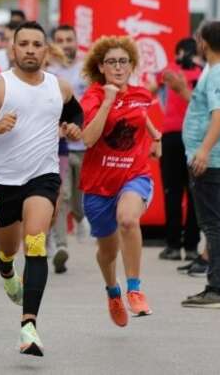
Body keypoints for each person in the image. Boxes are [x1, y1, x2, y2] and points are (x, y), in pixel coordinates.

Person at [0, 21, 83, 356]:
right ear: (13, 49)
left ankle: (29, 327)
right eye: (23, 44)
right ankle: (5, 265)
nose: (30, 49)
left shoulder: (61, 87)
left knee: (36, 242)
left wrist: (73, 126)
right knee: (7, 248)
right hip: (1, 182)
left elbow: (76, 113)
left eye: (36, 44)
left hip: (43, 178)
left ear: (46, 49)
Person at [79, 36, 160, 326]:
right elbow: (88, 139)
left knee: (128, 220)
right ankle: (113, 291)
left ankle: (135, 289)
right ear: (101, 66)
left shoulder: (141, 94)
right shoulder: (92, 97)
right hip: (99, 184)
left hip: (134, 175)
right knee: (107, 251)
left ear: (131, 66)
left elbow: (141, 115)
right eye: (111, 62)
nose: (117, 66)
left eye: (123, 61)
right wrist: (108, 100)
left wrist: (155, 135)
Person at [181, 21, 220, 308]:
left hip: (213, 160)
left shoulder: (217, 73)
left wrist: (203, 151)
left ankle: (218, 287)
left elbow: (219, 114)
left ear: (203, 42)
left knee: (214, 226)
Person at [155, 38, 202, 262]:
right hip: (194, 137)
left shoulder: (169, 71)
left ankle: (173, 246)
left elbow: (152, 87)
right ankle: (191, 247)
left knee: (172, 192)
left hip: (173, 135)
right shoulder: (202, 73)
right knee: (194, 193)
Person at [48, 25, 90, 273]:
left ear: (76, 41)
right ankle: (61, 244)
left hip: (84, 143)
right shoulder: (49, 72)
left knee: (78, 197)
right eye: (60, 40)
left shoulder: (87, 70)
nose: (65, 44)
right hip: (58, 145)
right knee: (60, 195)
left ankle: (80, 217)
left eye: (69, 39)